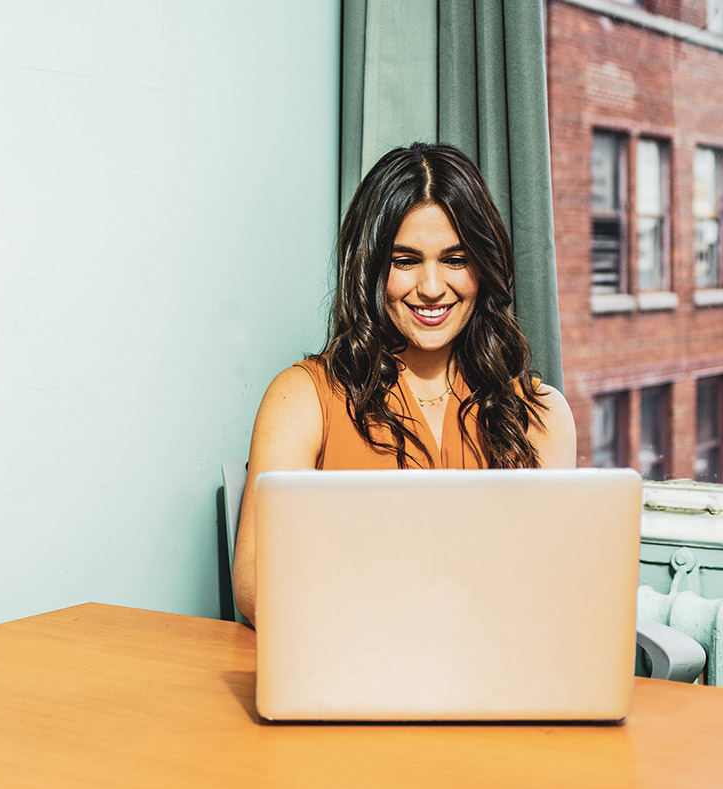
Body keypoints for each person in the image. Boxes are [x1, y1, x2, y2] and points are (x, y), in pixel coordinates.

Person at [232, 143, 577, 625]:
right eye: (405, 260)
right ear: (371, 268)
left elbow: (554, 590)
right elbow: (256, 590)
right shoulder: (301, 399)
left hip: (496, 678)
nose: (432, 287)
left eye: (456, 259)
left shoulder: (541, 412)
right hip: (350, 667)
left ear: (484, 266)